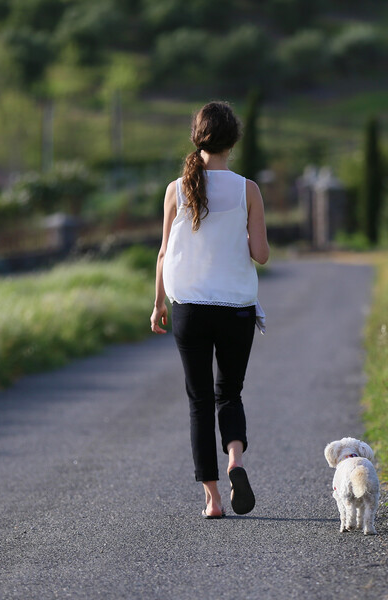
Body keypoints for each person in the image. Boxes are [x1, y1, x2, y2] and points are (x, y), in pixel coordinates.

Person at [150, 101, 270, 519]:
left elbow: (164, 252)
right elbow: (262, 253)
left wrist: (157, 304)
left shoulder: (176, 189)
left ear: (197, 137)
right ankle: (235, 457)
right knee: (229, 392)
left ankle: (213, 499)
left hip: (189, 307)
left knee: (199, 400)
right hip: (235, 306)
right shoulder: (247, 189)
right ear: (232, 142)